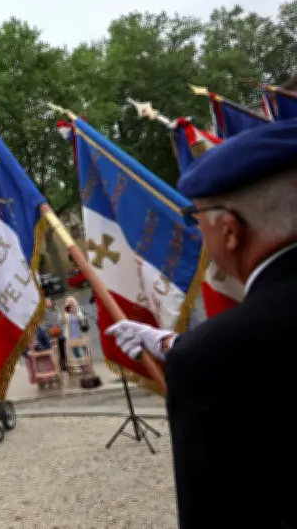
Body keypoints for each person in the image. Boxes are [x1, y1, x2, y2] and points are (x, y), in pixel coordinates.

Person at [104, 120, 297, 529]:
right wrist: (172, 344)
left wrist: (194, 355)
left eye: (197, 217)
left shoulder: (211, 362)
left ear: (229, 231)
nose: (197, 231)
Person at [43, 298, 66, 371]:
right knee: (54, 351)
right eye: (46, 302)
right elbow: (44, 324)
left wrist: (59, 327)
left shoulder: (57, 310)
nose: (48, 303)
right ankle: (57, 366)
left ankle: (64, 364)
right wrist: (49, 329)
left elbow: (62, 320)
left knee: (62, 350)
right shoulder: (43, 312)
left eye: (49, 301)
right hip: (50, 334)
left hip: (59, 333)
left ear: (52, 302)